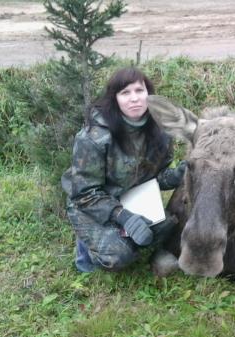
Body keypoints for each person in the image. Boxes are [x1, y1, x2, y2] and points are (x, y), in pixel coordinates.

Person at [61, 67, 186, 272]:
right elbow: (84, 193)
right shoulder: (94, 136)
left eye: (139, 90)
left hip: (131, 197)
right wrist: (124, 217)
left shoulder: (160, 131)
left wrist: (177, 175)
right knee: (120, 255)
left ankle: (120, 236)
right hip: (89, 204)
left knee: (169, 226)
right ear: (115, 98)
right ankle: (86, 251)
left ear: (149, 94)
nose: (134, 98)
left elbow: (157, 177)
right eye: (125, 93)